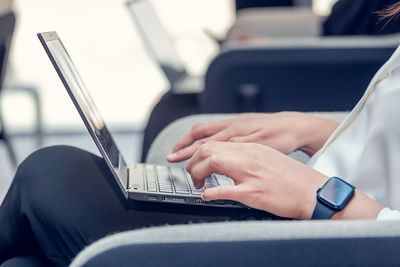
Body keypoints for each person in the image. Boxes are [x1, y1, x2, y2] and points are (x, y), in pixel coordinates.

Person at [1, 2, 400, 266]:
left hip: (341, 240)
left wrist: (322, 198)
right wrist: (318, 130)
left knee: (51, 173)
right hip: (315, 218)